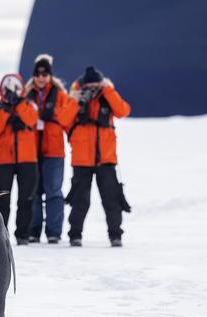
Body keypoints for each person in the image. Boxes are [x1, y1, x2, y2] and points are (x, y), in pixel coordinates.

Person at [61, 66, 131, 247]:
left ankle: (116, 235)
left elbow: (123, 111)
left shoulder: (107, 95)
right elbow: (63, 119)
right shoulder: (74, 97)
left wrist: (107, 89)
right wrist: (78, 99)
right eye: (89, 85)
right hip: (81, 159)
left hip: (106, 159)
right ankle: (75, 235)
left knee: (112, 199)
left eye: (95, 85)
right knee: (80, 200)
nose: (92, 89)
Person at [25, 54, 78, 244]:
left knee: (54, 192)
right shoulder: (26, 94)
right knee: (35, 192)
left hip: (54, 151)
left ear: (50, 75)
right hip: (30, 151)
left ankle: (54, 232)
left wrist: (52, 113)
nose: (41, 77)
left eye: (45, 73)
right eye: (38, 73)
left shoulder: (61, 95)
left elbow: (67, 120)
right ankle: (34, 230)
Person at [0, 74, 39, 245]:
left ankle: (22, 235)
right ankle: (0, 235)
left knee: (26, 199)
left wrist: (18, 104)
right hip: (5, 160)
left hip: (27, 159)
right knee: (2, 199)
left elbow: (31, 120)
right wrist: (5, 110)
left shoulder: (30, 105)